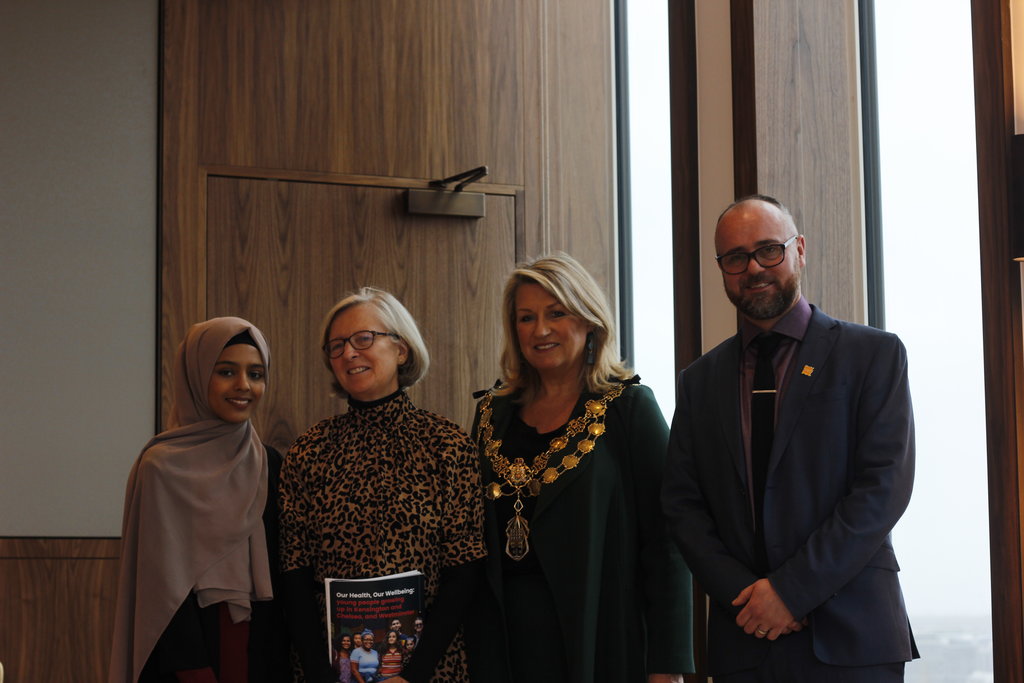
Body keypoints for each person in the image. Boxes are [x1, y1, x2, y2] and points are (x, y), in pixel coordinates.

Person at [661, 195, 918, 681]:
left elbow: (882, 490)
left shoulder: (872, 356)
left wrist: (790, 592)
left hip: (853, 636)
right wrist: (750, 598)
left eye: (768, 250)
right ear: (722, 270)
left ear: (799, 249)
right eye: (735, 257)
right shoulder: (699, 381)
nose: (754, 267)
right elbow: (682, 506)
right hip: (746, 637)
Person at [465, 253, 694, 683]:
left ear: (590, 321)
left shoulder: (629, 408)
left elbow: (667, 542)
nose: (541, 330)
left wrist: (669, 663)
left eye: (557, 313)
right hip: (502, 642)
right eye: (526, 318)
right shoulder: (490, 414)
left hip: (598, 634)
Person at [279, 287, 487, 683]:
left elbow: (465, 568)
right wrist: (322, 674)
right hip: (330, 670)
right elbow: (294, 572)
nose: (349, 354)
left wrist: (415, 674)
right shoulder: (309, 451)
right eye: (336, 346)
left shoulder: (447, 444)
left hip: (430, 669)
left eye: (363, 339)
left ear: (402, 349)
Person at [108, 317, 290, 683]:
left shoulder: (269, 463)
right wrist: (193, 669)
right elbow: (157, 585)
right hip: (189, 657)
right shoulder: (160, 467)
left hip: (262, 652)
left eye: (256, 374)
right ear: (195, 375)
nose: (244, 386)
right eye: (225, 371)